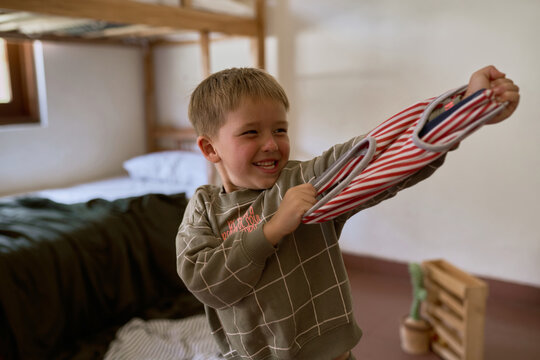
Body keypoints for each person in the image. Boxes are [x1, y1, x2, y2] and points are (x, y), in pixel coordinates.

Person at [176, 65, 519, 360]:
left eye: (280, 129)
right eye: (251, 132)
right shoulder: (203, 207)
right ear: (210, 148)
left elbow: (378, 157)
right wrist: (271, 230)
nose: (271, 143)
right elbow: (205, 283)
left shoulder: (303, 182)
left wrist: (469, 109)